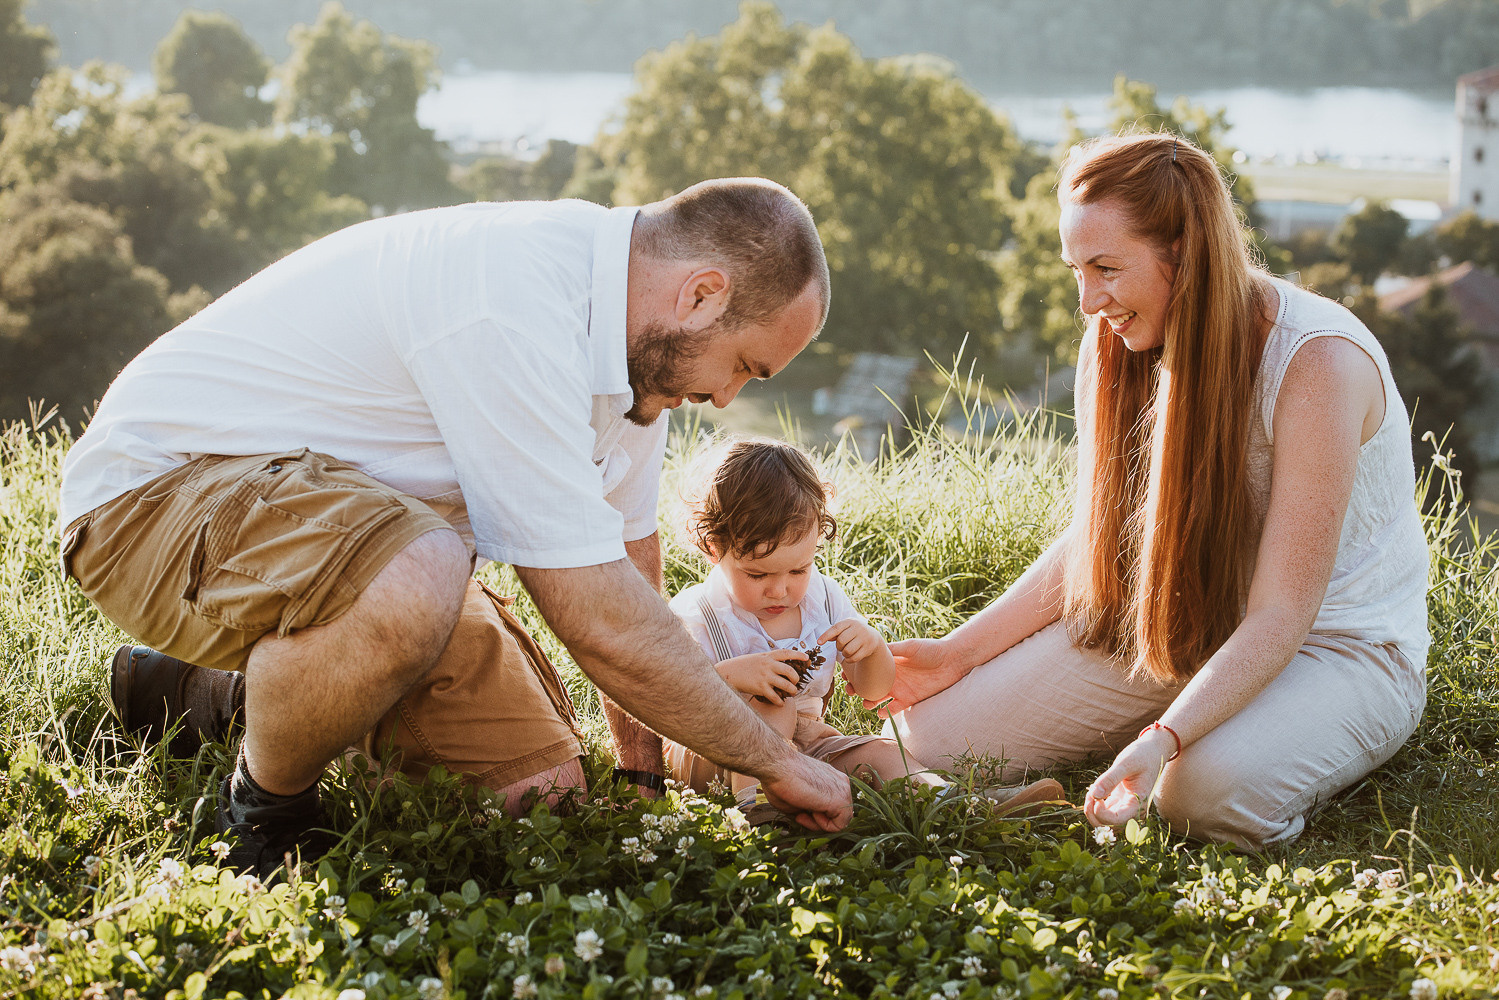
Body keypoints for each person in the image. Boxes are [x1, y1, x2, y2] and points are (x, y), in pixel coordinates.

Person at [58, 178, 855, 876]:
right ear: (701, 295)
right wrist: (776, 762)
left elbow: (624, 555)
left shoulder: (640, 365)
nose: (727, 398)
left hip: (370, 546)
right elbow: (595, 617)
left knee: (540, 799)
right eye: (744, 365)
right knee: (421, 574)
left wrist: (639, 772)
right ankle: (264, 809)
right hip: (156, 501)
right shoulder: (512, 300)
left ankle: (215, 691)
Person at [877, 132, 1429, 850]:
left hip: (1337, 649)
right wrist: (959, 652)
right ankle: (1043, 792)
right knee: (926, 738)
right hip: (1189, 620)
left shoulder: (1317, 363)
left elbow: (1282, 613)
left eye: (1106, 268)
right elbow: (1099, 534)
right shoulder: (1118, 338)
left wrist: (1165, 737)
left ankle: (1237, 753)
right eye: (1076, 270)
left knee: (1200, 794)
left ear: (1185, 256)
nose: (1087, 301)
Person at [663, 438, 1064, 818]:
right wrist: (731, 676)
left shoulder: (823, 600)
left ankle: (959, 805)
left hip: (806, 743)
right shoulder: (699, 613)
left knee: (881, 754)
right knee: (775, 701)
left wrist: (871, 650)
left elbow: (874, 690)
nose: (780, 590)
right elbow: (670, 697)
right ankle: (757, 813)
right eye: (757, 574)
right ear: (714, 548)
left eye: (798, 570)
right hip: (717, 752)